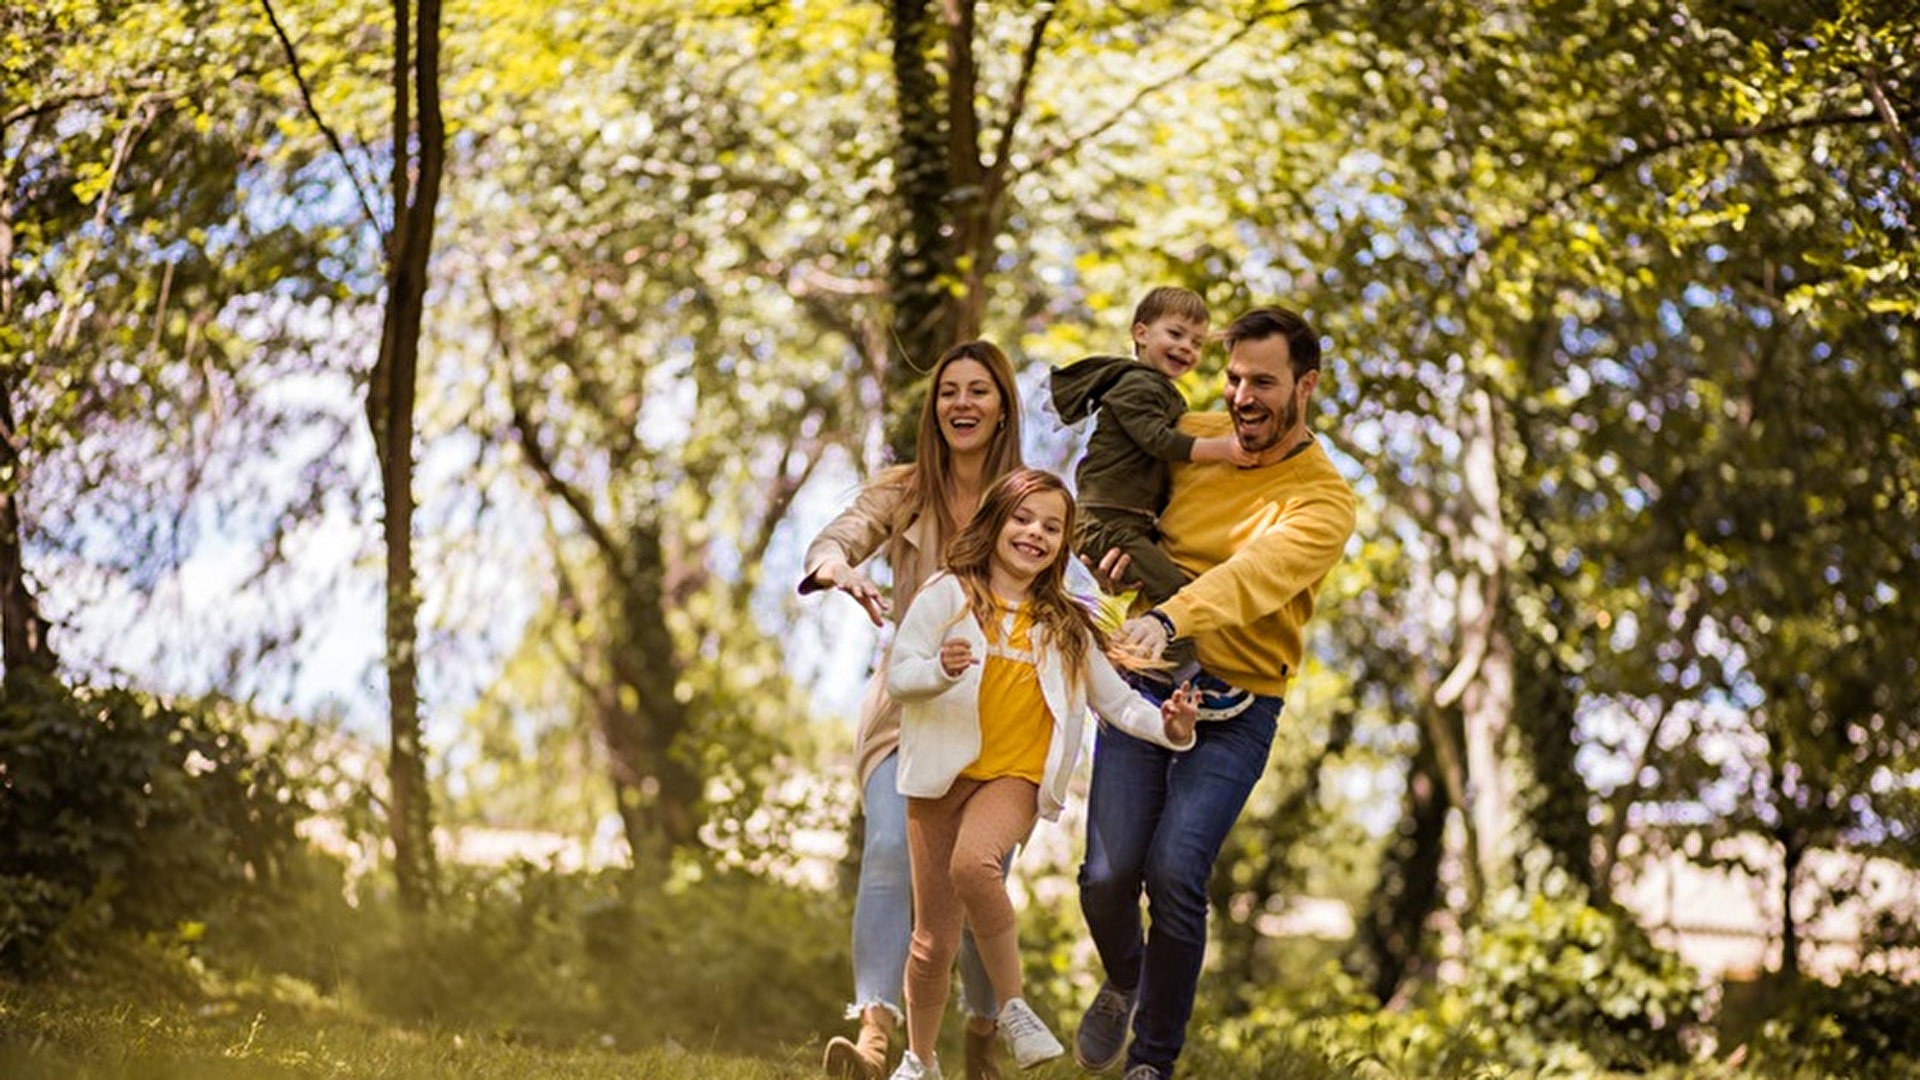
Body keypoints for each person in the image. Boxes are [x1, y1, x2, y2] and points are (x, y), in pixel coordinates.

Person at [1073, 306, 1358, 1080]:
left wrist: (1170, 616)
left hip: (1237, 708)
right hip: (1142, 681)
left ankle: (1151, 1064)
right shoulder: (1192, 439)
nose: (1241, 397)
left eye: (1263, 382)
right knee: (1106, 878)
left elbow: (1252, 577)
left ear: (1306, 385)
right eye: (1233, 378)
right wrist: (1106, 552)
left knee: (1174, 871)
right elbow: (1112, 494)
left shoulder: (1324, 499)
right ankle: (1124, 978)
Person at [883, 468, 1202, 1080]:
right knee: (930, 942)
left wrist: (1172, 729)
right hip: (941, 776)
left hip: (1015, 779)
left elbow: (1119, 703)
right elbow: (901, 676)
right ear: (996, 521)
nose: (1035, 533)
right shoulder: (947, 594)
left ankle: (1015, 1010)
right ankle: (919, 1061)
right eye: (1023, 519)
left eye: (1052, 527)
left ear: (1062, 544)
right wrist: (940, 670)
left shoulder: (1067, 626)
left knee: (974, 863)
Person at [801, 341, 1025, 1080]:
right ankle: (874, 1038)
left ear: (1002, 408)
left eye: (978, 391)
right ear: (934, 410)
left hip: (998, 719)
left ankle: (981, 1036)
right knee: (890, 854)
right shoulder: (903, 491)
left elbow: (1074, 584)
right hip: (909, 706)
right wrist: (835, 566)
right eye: (948, 392)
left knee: (975, 875)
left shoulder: (1027, 500)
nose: (961, 403)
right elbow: (839, 535)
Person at [1047, 286, 1254, 681]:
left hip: (1125, 522)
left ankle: (1143, 664)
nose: (1186, 348)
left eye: (1196, 343)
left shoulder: (1158, 389)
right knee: (1176, 593)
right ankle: (1166, 674)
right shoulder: (1137, 385)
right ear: (1141, 333)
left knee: (1178, 582)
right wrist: (1222, 449)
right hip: (1107, 522)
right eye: (1175, 334)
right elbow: (1157, 440)